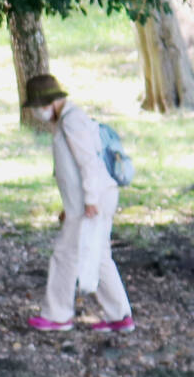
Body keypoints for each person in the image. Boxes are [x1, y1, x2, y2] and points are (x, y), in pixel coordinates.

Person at [22, 74, 135, 333]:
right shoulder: (66, 121)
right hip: (86, 201)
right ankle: (120, 316)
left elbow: (88, 163)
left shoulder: (72, 121)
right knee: (100, 255)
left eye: (38, 106)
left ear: (48, 102)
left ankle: (57, 315)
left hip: (92, 201)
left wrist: (90, 201)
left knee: (65, 256)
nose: (38, 112)